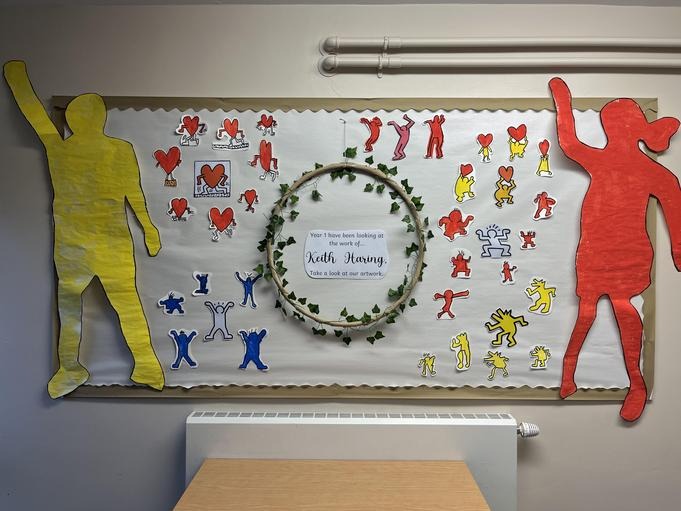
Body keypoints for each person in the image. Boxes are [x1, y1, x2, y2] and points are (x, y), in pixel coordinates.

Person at [3, 60, 164, 397]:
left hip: (75, 248)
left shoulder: (60, 149)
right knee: (126, 304)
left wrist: (18, 79)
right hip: (106, 246)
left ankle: (71, 367)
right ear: (100, 118)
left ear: (73, 121)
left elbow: (35, 114)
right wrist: (148, 228)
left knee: (71, 310)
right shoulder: (118, 150)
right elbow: (134, 195)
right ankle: (144, 365)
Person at [549, 76, 681, 421]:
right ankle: (569, 374)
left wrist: (678, 249)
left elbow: (672, 196)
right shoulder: (606, 161)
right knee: (589, 310)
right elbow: (568, 143)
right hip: (595, 248)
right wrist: (562, 101)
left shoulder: (643, 169)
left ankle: (635, 384)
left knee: (618, 309)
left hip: (627, 251)